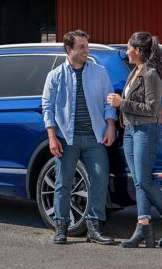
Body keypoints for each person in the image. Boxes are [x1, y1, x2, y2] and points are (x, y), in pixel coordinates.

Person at [106, 31, 162, 248]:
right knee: (139, 181)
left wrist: (122, 104)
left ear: (138, 50)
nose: (126, 50)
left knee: (144, 180)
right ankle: (143, 228)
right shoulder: (135, 71)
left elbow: (152, 109)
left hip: (146, 130)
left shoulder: (150, 74)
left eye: (129, 47)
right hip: (130, 130)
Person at [41, 30, 117, 245]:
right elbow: (47, 107)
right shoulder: (55, 75)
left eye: (87, 45)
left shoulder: (100, 72)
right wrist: (52, 137)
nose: (87, 50)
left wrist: (110, 127)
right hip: (67, 138)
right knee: (63, 183)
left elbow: (108, 102)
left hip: (95, 137)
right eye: (81, 47)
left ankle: (94, 228)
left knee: (100, 180)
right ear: (69, 49)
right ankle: (61, 227)